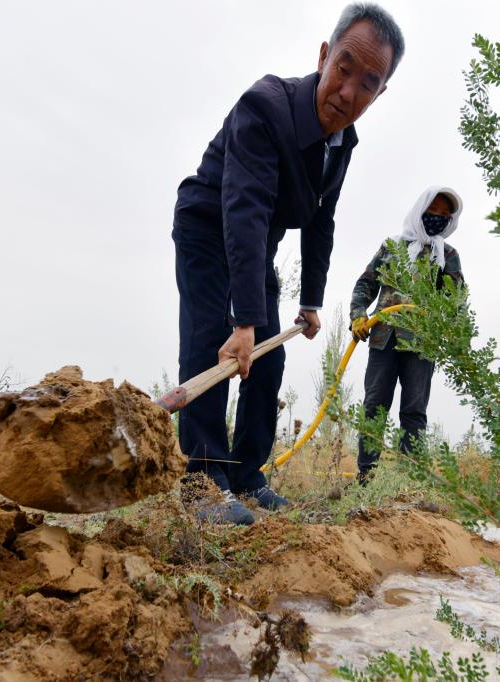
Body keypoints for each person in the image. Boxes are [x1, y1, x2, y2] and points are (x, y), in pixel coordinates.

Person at [172, 4, 405, 525]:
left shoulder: (342, 142)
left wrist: (310, 302)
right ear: (324, 57)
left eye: (368, 83)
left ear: (380, 92)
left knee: (268, 360)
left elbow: (321, 222)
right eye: (343, 69)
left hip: (257, 242)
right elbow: (245, 208)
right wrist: (245, 321)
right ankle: (203, 479)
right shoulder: (265, 105)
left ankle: (248, 474)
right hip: (210, 224)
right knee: (214, 339)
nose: (347, 93)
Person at [349, 186, 465, 482]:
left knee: (414, 411)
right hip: (383, 339)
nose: (437, 218)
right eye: (432, 212)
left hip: (422, 344)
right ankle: (366, 478)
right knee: (374, 406)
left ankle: (408, 482)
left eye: (444, 215)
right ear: (420, 210)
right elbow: (365, 285)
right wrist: (358, 315)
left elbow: (456, 301)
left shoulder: (447, 256)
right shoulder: (392, 248)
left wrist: (455, 335)